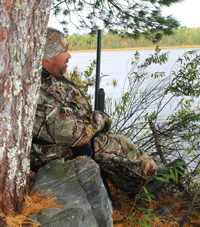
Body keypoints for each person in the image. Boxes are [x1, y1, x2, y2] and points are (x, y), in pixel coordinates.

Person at [31, 27, 184, 195]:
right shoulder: (34, 90)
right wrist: (100, 118)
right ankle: (151, 177)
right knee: (105, 144)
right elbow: (72, 132)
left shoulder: (50, 80)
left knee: (99, 142)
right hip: (49, 154)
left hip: (63, 144)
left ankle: (130, 184)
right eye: (64, 50)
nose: (69, 55)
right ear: (47, 57)